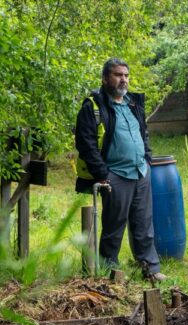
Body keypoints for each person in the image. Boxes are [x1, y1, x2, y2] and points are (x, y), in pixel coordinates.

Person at [74, 58, 165, 281]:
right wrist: (103, 174)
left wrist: (148, 159)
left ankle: (150, 269)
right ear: (105, 79)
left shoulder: (133, 103)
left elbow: (143, 133)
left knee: (144, 223)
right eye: (117, 75)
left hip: (140, 171)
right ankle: (109, 270)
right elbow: (85, 143)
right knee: (114, 226)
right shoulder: (92, 107)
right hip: (115, 175)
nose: (123, 79)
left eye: (125, 75)